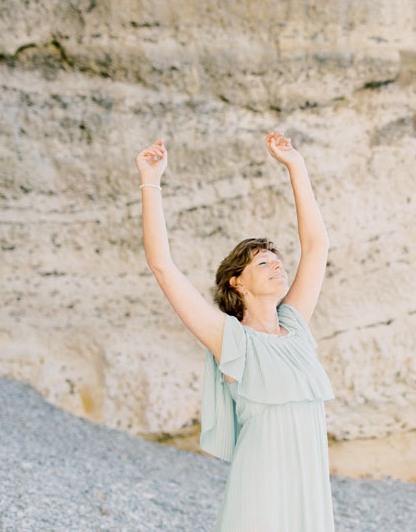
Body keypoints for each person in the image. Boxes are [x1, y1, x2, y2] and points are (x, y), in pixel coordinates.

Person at [134, 132, 336, 531]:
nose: (278, 265)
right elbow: (162, 265)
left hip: (309, 487)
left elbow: (317, 246)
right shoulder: (230, 339)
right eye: (263, 263)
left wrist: (296, 166)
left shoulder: (294, 327)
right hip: (261, 489)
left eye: (277, 260)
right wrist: (150, 180)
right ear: (236, 283)